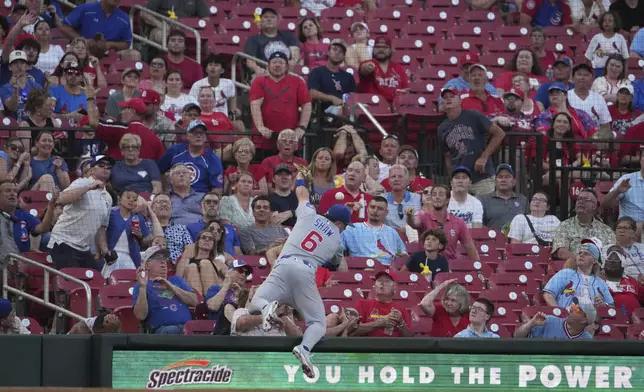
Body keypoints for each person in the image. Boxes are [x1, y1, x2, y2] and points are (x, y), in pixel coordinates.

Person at [246, 170, 352, 379]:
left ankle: (268, 308)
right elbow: (339, 264)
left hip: (283, 265)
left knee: (255, 304)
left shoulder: (309, 214)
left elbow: (301, 193)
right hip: (305, 272)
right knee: (317, 323)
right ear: (341, 224)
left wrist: (302, 177)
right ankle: (304, 349)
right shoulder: (337, 241)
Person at [47, 155, 113, 269]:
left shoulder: (108, 197)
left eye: (108, 166)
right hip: (63, 241)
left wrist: (105, 250)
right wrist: (89, 187)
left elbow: (101, 227)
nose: (105, 168)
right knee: (73, 283)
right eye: (101, 165)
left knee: (94, 281)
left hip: (83, 248)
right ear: (92, 170)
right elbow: (61, 199)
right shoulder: (82, 182)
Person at [438, 88, 506, 196]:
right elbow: (447, 156)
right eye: (445, 98)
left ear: (460, 100)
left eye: (452, 96)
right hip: (460, 180)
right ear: (442, 103)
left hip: (482, 177)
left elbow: (499, 133)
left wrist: (484, 157)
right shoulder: (442, 128)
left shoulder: (473, 116)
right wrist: (453, 178)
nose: (448, 99)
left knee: (485, 211)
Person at [250, 51, 312, 150]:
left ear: (287, 66)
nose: (277, 65)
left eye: (281, 62)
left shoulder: (298, 82)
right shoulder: (259, 82)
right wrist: (261, 127)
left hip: (290, 140)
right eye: (274, 62)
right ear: (268, 66)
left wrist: (302, 127)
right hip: (263, 139)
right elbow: (255, 105)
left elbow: (307, 105)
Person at [133, 246, 199, 334]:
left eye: (164, 258)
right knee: (172, 330)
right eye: (158, 258)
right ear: (147, 264)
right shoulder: (141, 285)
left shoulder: (177, 280)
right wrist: (142, 287)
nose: (163, 262)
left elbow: (194, 301)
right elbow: (140, 316)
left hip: (187, 328)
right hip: (163, 330)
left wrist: (170, 286)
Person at [408, 185, 480, 262]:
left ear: (448, 200)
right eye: (434, 195)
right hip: (426, 266)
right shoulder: (423, 217)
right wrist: (409, 216)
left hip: (450, 268)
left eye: (441, 194)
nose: (437, 197)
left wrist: (478, 270)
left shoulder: (459, 222)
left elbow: (470, 248)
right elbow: (414, 223)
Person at [157, 120, 224, 194]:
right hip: (175, 196)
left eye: (201, 133)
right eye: (195, 133)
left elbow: (218, 189)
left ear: (205, 137)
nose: (198, 136)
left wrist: (205, 200)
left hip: (200, 197)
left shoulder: (212, 158)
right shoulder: (175, 151)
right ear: (187, 136)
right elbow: (158, 171)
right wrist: (165, 189)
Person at [544, 238, 614, 308]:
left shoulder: (601, 283)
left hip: (592, 318)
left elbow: (611, 306)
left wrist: (604, 306)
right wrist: (558, 312)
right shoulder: (565, 274)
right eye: (580, 253)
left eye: (586, 254)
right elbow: (548, 293)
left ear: (594, 260)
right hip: (566, 317)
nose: (581, 255)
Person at [102, 189, 157, 279]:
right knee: (109, 282)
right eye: (128, 197)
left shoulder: (138, 218)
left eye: (135, 199)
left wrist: (140, 236)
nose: (131, 200)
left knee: (129, 283)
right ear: (119, 199)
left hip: (130, 258)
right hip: (112, 257)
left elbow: (144, 241)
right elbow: (101, 232)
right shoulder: (110, 213)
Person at [341, 196, 407, 266]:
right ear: (367, 209)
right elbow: (335, 245)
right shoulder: (352, 228)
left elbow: (401, 252)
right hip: (361, 268)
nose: (375, 211)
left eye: (380, 209)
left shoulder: (392, 232)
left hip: (388, 269)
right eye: (372, 207)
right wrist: (344, 215)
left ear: (386, 213)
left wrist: (400, 254)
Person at [552, 189, 615, 260]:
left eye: (586, 200)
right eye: (579, 199)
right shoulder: (565, 226)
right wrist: (583, 262)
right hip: (574, 268)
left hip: (600, 269)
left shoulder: (606, 230)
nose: (581, 202)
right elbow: (561, 253)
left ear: (594, 206)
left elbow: (612, 253)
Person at [0, 180, 57, 252]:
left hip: (22, 260)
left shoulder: (23, 215)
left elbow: (43, 228)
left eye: (15, 191)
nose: (12, 194)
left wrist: (51, 205)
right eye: (8, 191)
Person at [352, 269, 413, 337]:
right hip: (368, 346)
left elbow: (410, 339)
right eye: (379, 280)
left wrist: (401, 323)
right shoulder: (362, 304)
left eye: (387, 281)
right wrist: (379, 323)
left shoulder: (401, 311)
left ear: (394, 287)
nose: (382, 283)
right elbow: (352, 331)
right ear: (375, 285)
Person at [60, 0, 133, 54]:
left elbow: (127, 43)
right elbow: (65, 26)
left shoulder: (124, 18)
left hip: (109, 54)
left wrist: (109, 44)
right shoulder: (87, 8)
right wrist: (83, 41)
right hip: (83, 50)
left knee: (134, 54)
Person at [243, 7, 300, 74]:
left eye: (272, 17)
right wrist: (258, 69)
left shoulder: (289, 36)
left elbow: (295, 57)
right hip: (264, 74)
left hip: (287, 73)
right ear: (261, 21)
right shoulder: (253, 39)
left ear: (278, 21)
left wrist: (292, 63)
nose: (269, 19)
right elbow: (250, 61)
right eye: (265, 17)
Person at [231, 286, 303, 337]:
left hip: (277, 356)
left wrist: (281, 314)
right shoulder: (242, 311)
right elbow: (243, 322)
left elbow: (298, 337)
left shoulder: (280, 316)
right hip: (250, 355)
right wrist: (268, 317)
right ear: (252, 298)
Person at [307, 39, 356, 112]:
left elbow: (353, 97)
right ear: (328, 52)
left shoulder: (348, 77)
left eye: (341, 52)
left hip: (345, 109)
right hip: (324, 113)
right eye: (334, 49)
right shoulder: (317, 72)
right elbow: (312, 93)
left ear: (343, 57)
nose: (337, 53)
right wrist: (331, 98)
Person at [176, 228, 228, 295]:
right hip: (192, 295)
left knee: (206, 264)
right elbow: (176, 283)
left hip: (214, 295)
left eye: (210, 239)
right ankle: (199, 301)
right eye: (203, 238)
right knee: (192, 267)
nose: (207, 240)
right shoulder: (184, 262)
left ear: (213, 245)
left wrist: (221, 283)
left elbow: (230, 278)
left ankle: (209, 300)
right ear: (197, 242)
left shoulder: (218, 263)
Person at [357, 36, 409, 102]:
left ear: (390, 50)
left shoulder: (398, 68)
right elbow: (363, 69)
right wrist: (367, 67)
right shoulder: (367, 63)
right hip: (372, 107)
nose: (381, 50)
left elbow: (405, 89)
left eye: (385, 47)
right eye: (378, 47)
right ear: (373, 49)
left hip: (394, 108)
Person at [478, 164, 530, 231]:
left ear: (514, 182)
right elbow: (479, 224)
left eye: (507, 177)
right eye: (500, 177)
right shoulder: (484, 200)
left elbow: (529, 224)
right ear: (495, 182)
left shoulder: (522, 200)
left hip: (517, 241)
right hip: (493, 240)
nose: (503, 180)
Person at [145, 193, 193, 264]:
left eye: (167, 202)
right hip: (152, 266)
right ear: (152, 208)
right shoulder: (145, 226)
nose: (164, 204)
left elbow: (190, 248)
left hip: (177, 267)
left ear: (171, 209)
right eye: (160, 202)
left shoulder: (182, 229)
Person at [514, 298, 595, 339]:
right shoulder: (549, 321)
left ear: (584, 320)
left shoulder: (586, 340)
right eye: (573, 306)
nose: (571, 308)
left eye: (576, 309)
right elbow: (517, 337)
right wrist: (530, 324)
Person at [567, 63, 612, 133]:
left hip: (594, 139)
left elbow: (605, 125)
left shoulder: (599, 98)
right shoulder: (566, 96)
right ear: (573, 78)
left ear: (592, 78)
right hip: (571, 138)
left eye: (586, 75)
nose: (582, 77)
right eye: (579, 74)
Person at [600, 245, 644, 315]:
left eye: (617, 258)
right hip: (610, 320)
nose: (612, 261)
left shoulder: (631, 281)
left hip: (636, 321)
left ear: (623, 263)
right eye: (609, 258)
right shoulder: (598, 282)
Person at [0, 49, 42, 122]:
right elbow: (12, 107)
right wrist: (16, 90)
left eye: (22, 63)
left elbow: (42, 108)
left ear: (26, 66)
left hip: (33, 126)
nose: (19, 66)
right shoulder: (4, 88)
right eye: (15, 63)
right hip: (13, 128)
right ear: (9, 67)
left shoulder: (36, 87)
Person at [602, 157, 644, 222]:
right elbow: (605, 205)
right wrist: (617, 191)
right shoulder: (627, 179)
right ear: (641, 161)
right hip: (629, 227)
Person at [383, 164, 421, 230]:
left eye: (400, 176)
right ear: (389, 181)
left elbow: (418, 224)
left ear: (408, 181)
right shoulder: (381, 199)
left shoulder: (417, 198)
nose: (396, 179)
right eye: (393, 176)